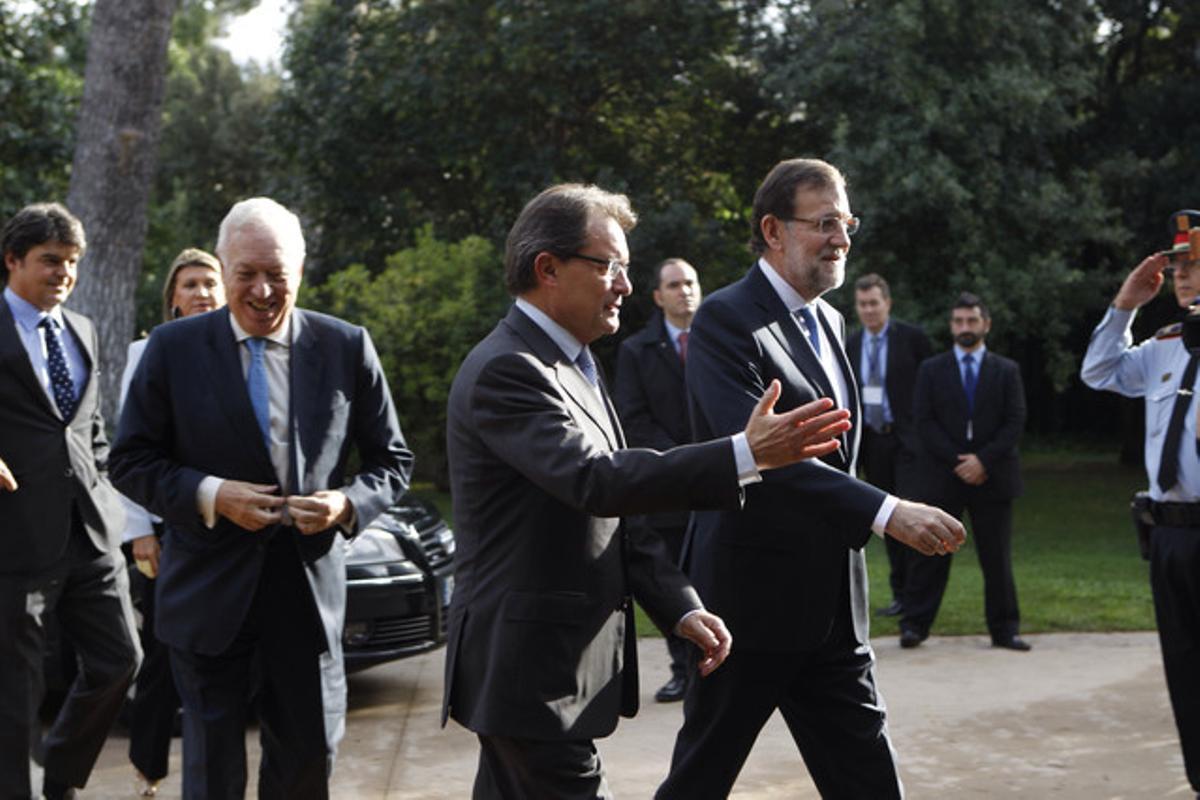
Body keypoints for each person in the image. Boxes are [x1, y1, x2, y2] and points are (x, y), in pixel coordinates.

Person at [442, 183, 881, 799]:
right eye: (610, 267)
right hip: (528, 674)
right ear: (548, 268)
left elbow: (619, 518)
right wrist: (744, 453)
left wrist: (680, 605)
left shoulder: (577, 362)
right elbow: (595, 482)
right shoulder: (510, 370)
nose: (625, 285)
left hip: (544, 675)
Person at [657, 158, 966, 800]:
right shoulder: (723, 320)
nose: (842, 239)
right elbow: (766, 457)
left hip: (834, 610)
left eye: (846, 222)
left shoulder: (829, 320)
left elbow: (835, 455)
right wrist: (886, 511)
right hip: (748, 609)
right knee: (699, 781)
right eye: (825, 223)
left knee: (871, 784)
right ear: (774, 230)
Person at [110, 197, 413, 800]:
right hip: (207, 593)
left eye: (277, 273)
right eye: (246, 273)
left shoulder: (345, 346)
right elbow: (130, 461)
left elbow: (393, 462)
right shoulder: (172, 349)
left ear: (301, 270)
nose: (263, 289)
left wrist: (346, 506)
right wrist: (211, 494)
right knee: (213, 775)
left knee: (307, 763)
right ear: (222, 268)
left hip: (304, 598)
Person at [0, 202, 141, 799]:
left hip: (91, 533)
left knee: (120, 662)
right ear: (12, 261)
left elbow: (90, 427)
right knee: (15, 694)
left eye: (72, 263)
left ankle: (58, 776)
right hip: (15, 539)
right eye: (50, 261)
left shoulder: (80, 328)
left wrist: (104, 484)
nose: (63, 273)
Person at [1080, 209, 1200, 797]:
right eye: (1178, 265)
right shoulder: (1166, 346)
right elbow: (1099, 371)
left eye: (1194, 264)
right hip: (1170, 534)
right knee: (1184, 668)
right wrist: (1125, 305)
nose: (1182, 275)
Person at [118, 247, 225, 797]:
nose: (202, 292)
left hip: (226, 526)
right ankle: (148, 763)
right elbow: (129, 448)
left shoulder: (241, 350)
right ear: (172, 300)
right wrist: (138, 531)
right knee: (163, 651)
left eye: (210, 282)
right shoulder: (149, 352)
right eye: (190, 284)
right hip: (162, 532)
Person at [900, 292, 1029, 651]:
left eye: (971, 321)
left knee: (997, 558)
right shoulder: (931, 369)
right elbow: (923, 421)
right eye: (958, 321)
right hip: (943, 477)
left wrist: (983, 461)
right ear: (951, 326)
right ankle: (914, 626)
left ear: (985, 324)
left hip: (993, 477)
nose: (964, 328)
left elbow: (1014, 421)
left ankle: (1005, 630)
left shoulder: (1006, 370)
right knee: (929, 556)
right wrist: (959, 462)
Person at [613, 257, 702, 703]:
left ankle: (718, 664)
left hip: (717, 487)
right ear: (658, 296)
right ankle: (683, 668)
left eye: (690, 283)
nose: (684, 290)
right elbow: (634, 419)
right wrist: (685, 460)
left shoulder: (718, 342)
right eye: (674, 284)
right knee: (670, 578)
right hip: (667, 488)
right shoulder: (636, 350)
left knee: (716, 578)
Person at [848, 273, 933, 618]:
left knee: (911, 516)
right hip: (871, 442)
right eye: (863, 304)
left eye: (874, 303)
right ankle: (900, 595)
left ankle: (915, 597)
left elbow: (930, 387)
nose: (869, 310)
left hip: (907, 441)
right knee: (886, 519)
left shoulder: (911, 339)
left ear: (888, 304)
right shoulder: (850, 342)